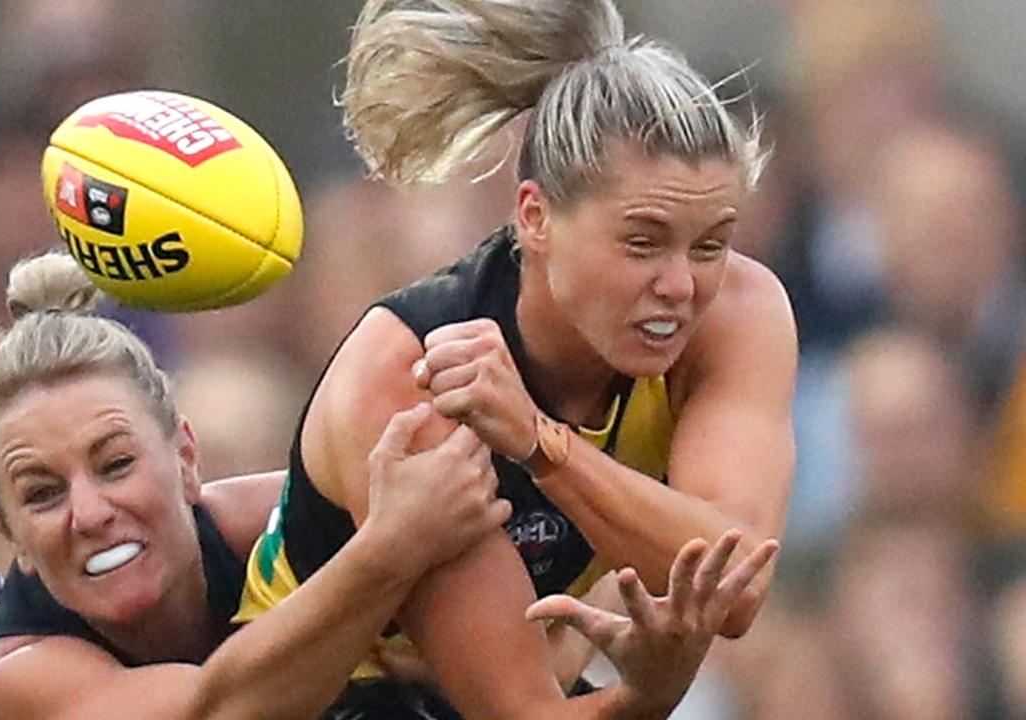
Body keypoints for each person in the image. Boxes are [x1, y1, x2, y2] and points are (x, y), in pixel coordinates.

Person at [0, 251, 778, 720]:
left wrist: (645, 688)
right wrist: (389, 551)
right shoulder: (9, 684)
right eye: (41, 493)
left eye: (114, 463)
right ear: (5, 524)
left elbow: (506, 675)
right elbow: (220, 718)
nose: (92, 508)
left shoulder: (271, 516)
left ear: (186, 456)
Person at [236, 0, 795, 717]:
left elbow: (736, 584)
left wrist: (540, 444)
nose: (682, 285)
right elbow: (517, 712)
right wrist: (647, 697)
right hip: (344, 693)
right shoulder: (412, 376)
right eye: (642, 243)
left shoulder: (738, 311)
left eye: (710, 244)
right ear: (534, 218)